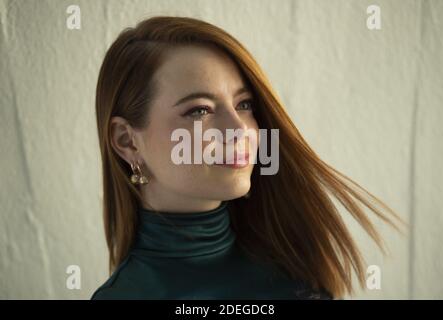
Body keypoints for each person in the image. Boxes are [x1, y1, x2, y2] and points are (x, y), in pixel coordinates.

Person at [91, 16, 402, 300]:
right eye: (199, 110)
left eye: (244, 104)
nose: (240, 129)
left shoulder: (296, 268)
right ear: (127, 141)